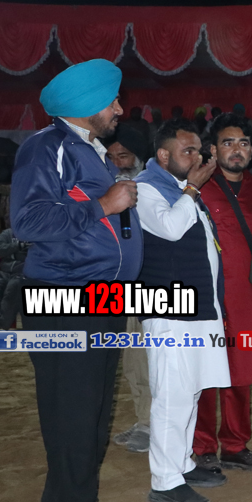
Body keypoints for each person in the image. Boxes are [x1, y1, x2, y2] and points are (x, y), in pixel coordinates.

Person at [13, 59, 141, 502]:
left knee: (88, 410)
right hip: (65, 298)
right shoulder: (45, 147)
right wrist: (105, 205)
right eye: (112, 100)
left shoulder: (89, 149)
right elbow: (28, 221)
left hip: (100, 299)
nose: (119, 109)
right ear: (88, 104)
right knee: (75, 413)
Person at [134, 120, 231, 502]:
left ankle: (182, 463)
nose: (197, 157)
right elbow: (171, 229)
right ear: (163, 155)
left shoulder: (179, 189)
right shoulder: (145, 188)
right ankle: (165, 480)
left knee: (190, 390)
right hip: (168, 309)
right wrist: (192, 189)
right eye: (187, 151)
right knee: (172, 395)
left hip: (196, 307)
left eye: (198, 150)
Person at [191, 114, 252, 472]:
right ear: (213, 149)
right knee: (205, 372)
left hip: (246, 294)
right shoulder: (198, 184)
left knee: (242, 372)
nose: (237, 150)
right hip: (205, 294)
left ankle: (236, 445)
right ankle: (203, 447)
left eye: (243, 143)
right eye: (228, 143)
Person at [103, 124, 156, 452]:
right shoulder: (105, 191)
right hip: (117, 287)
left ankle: (152, 424)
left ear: (138, 157)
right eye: (111, 157)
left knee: (145, 358)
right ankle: (143, 419)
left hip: (149, 286)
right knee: (131, 358)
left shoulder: (150, 188)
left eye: (123, 155)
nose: (117, 163)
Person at [0, 222, 27, 330]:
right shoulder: (8, 233)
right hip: (4, 271)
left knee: (13, 287)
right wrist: (17, 246)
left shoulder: (36, 235)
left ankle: (1, 325)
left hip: (24, 272)